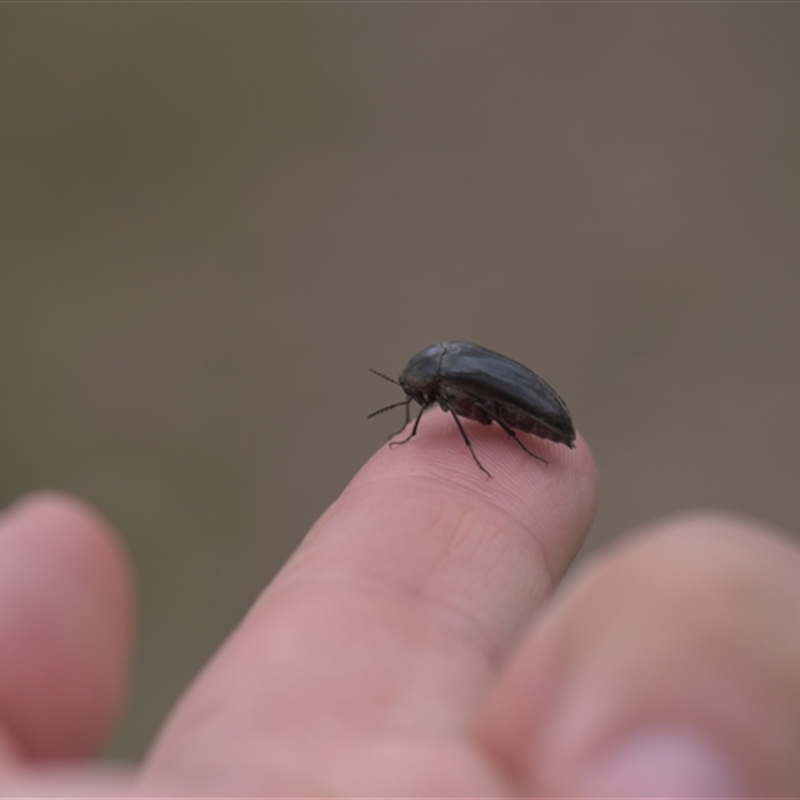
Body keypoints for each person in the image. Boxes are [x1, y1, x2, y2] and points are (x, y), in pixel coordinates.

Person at [0, 409, 798, 797]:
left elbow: (493, 410)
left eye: (422, 399)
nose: (424, 407)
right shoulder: (444, 392)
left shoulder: (452, 391)